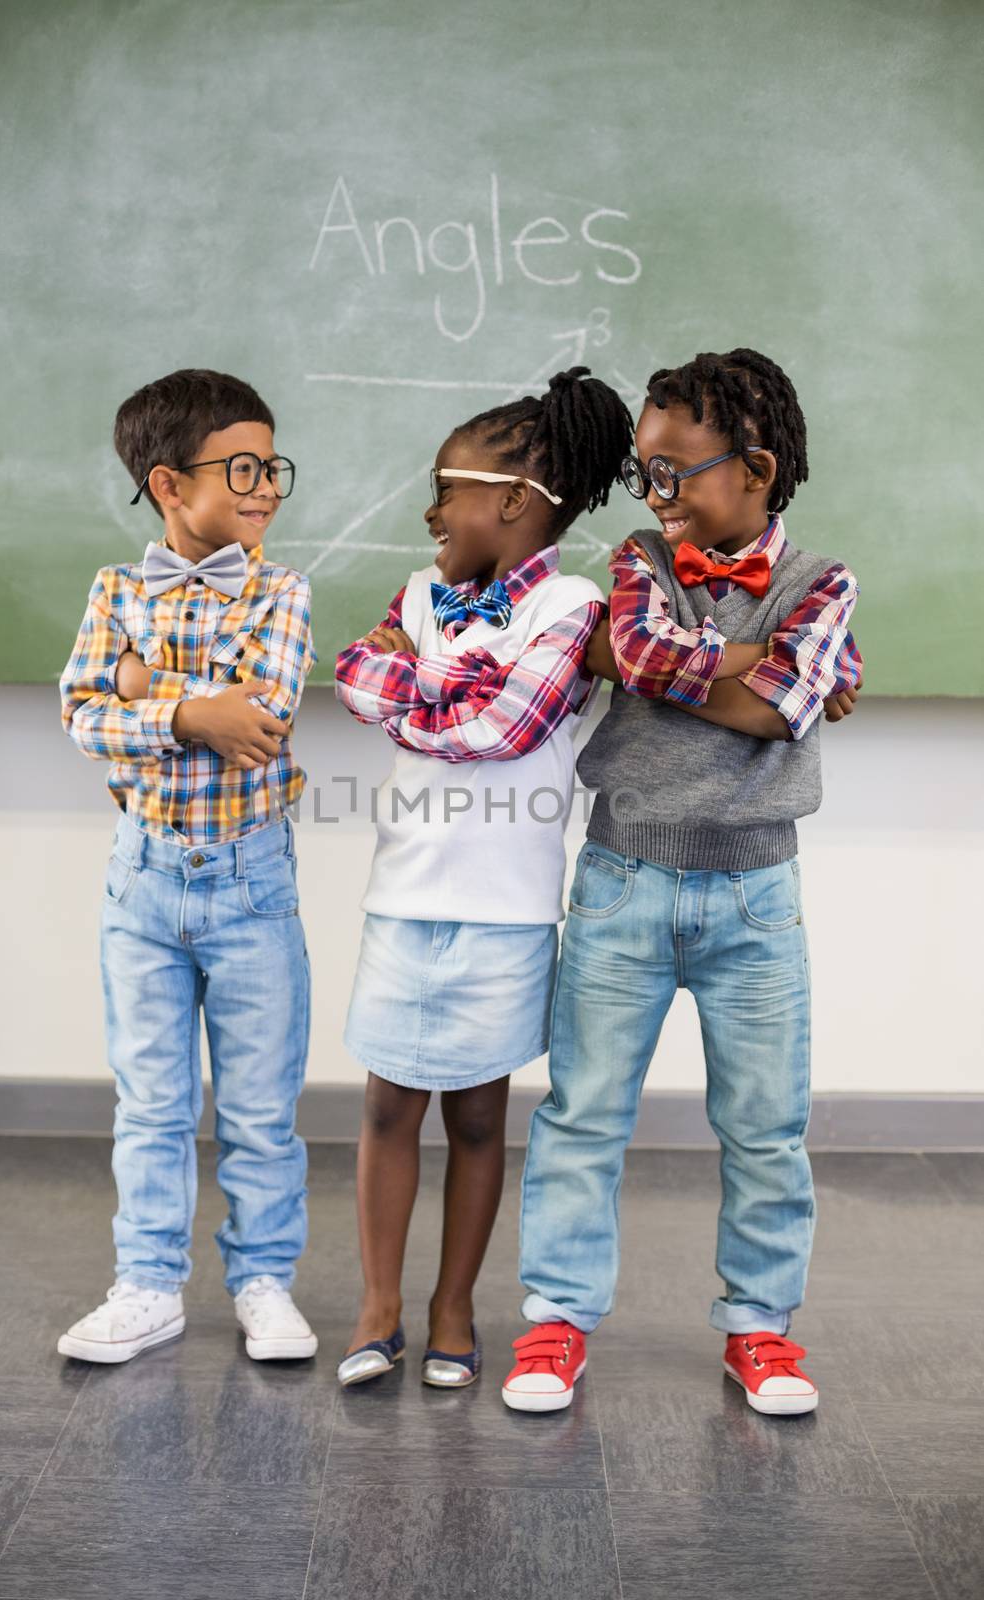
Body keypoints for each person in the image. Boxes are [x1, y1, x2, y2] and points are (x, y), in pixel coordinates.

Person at [502, 348, 861, 1415]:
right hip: (621, 876)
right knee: (582, 1113)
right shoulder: (637, 557)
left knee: (764, 1124)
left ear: (752, 468)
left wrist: (726, 670)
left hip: (756, 897)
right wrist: (784, 665)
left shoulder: (823, 580)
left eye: (673, 473)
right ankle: (555, 1321)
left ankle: (758, 1328)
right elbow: (639, 656)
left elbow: (746, 702)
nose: (651, 495)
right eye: (644, 475)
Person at [333, 367, 633, 1388]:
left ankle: (450, 1306)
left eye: (442, 487)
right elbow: (349, 673)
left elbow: (508, 727)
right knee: (385, 1109)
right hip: (402, 897)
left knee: (473, 1119)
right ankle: (377, 1307)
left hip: (504, 914)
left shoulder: (573, 603)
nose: (427, 511)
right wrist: (450, 692)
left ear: (507, 500)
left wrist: (410, 686)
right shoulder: (418, 591)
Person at [57, 368, 318, 1364]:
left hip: (252, 887)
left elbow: (265, 710)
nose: (265, 488)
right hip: (142, 886)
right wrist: (183, 710)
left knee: (259, 1109)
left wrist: (141, 681)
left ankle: (261, 1280)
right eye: (243, 468)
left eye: (271, 468)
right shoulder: (113, 589)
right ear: (170, 485)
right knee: (152, 1103)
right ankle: (147, 1284)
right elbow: (83, 717)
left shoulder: (282, 588)